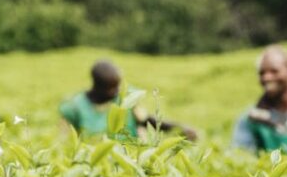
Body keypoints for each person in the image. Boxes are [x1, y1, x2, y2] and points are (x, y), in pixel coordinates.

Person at [60, 60, 197, 141]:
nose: (117, 91)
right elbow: (65, 140)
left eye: (117, 86)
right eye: (111, 88)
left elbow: (146, 120)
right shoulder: (74, 107)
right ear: (97, 86)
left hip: (128, 160)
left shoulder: (126, 97)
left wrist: (179, 129)